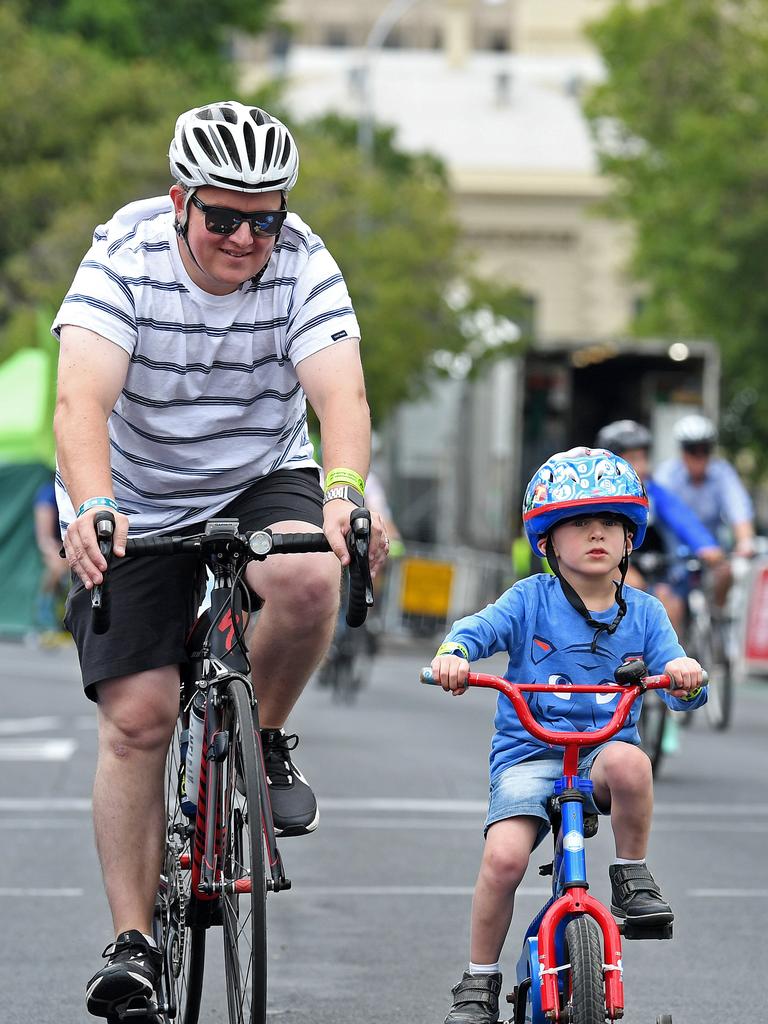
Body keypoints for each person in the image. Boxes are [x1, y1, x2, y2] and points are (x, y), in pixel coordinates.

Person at [52, 100, 387, 1019]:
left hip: (258, 469)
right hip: (131, 490)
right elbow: (79, 404)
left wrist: (347, 491)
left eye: (265, 217)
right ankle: (131, 944)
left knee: (312, 571)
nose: (247, 236)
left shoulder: (303, 260)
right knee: (141, 717)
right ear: (179, 203)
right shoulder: (125, 255)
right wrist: (91, 505)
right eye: (225, 216)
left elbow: (341, 394)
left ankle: (264, 734)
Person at [430, 447, 706, 1024]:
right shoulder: (530, 599)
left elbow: (683, 679)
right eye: (578, 523)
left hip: (601, 753)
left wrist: (685, 678)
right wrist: (455, 655)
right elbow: (477, 630)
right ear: (548, 542)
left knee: (634, 763)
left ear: (630, 540)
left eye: (610, 522)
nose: (596, 534)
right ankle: (478, 981)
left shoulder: (648, 613)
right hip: (531, 754)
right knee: (503, 861)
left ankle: (631, 874)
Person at [595, 419, 723, 635]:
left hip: (651, 569)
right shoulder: (595, 499)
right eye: (634, 459)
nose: (643, 466)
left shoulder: (652, 491)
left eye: (644, 457)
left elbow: (682, 518)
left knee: (670, 604)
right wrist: (618, 568)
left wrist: (706, 546)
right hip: (608, 572)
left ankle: (664, 662)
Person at [655, 413, 755, 606]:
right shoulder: (667, 475)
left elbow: (738, 507)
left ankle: (717, 622)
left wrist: (745, 540)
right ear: (682, 451)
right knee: (668, 604)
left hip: (715, 556)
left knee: (726, 575)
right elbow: (670, 514)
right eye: (693, 450)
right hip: (674, 558)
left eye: (705, 449)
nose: (699, 456)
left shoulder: (722, 473)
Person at [31, 478, 69, 637]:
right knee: (56, 568)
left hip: (72, 543)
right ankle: (44, 616)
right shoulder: (48, 493)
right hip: (55, 546)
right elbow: (44, 539)